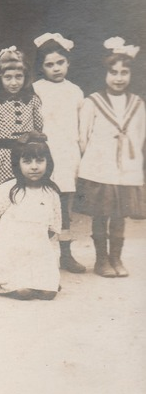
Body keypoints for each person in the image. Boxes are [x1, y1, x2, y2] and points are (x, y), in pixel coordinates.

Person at [75, 37, 144, 278]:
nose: (119, 77)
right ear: (104, 73)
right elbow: (82, 138)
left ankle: (116, 258)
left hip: (125, 169)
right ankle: (101, 260)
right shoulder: (92, 102)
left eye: (124, 72)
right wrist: (94, 161)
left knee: (119, 215)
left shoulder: (137, 104)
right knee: (100, 214)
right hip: (100, 168)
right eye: (113, 72)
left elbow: (140, 137)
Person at [0, 133, 61, 299]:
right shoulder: (9, 190)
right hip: (10, 254)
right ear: (17, 163)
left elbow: (54, 227)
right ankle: (10, 280)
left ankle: (41, 278)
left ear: (48, 162)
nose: (34, 167)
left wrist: (36, 243)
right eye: (27, 161)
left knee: (48, 293)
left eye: (40, 161)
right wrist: (2, 247)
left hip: (38, 254)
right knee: (24, 292)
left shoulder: (51, 192)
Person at [32, 32, 86, 273]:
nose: (56, 68)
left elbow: (80, 127)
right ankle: (37, 252)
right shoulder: (35, 89)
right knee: (40, 202)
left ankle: (65, 253)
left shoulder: (75, 91)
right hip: (43, 153)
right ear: (41, 67)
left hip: (67, 154)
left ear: (68, 63)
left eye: (60, 63)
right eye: (49, 64)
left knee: (64, 205)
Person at [0, 46, 44, 199]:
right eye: (8, 77)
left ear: (26, 77)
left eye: (19, 77)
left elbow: (38, 126)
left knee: (23, 188)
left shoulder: (33, 100)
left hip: (24, 151)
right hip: (0, 154)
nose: (14, 82)